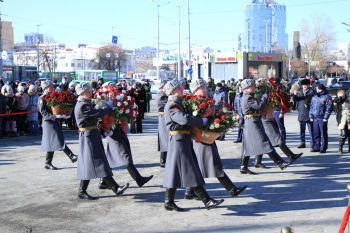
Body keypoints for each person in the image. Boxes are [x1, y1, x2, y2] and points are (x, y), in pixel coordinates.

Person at [163, 79, 224, 211]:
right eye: (179, 88)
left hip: (182, 139)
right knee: (190, 170)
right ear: (173, 91)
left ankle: (169, 202)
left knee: (176, 171)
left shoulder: (177, 103)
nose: (182, 89)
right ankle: (207, 201)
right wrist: (201, 120)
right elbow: (183, 119)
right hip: (179, 140)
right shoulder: (173, 104)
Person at [188, 79, 247, 199]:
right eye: (202, 87)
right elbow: (193, 119)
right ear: (195, 90)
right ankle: (231, 189)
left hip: (206, 137)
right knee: (210, 165)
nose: (205, 88)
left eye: (205, 86)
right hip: (200, 137)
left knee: (202, 165)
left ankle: (190, 192)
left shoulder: (205, 100)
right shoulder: (192, 102)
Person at [74, 82, 129, 200]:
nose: (91, 92)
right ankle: (116, 188)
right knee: (99, 162)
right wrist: (107, 106)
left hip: (91, 135)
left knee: (91, 163)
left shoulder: (85, 103)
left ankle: (82, 191)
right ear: (82, 93)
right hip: (89, 137)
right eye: (88, 91)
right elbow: (96, 113)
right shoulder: (83, 105)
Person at [240, 79, 290, 175]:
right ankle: (281, 163)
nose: (254, 87)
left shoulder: (248, 96)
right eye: (252, 86)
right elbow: (258, 106)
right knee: (264, 142)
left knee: (247, 145)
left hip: (251, 122)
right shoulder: (248, 98)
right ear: (246, 88)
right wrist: (263, 97)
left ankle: (243, 167)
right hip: (252, 123)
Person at [38, 80, 78, 170]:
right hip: (48, 122)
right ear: (45, 88)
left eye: (52, 86)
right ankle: (71, 156)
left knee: (52, 142)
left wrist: (63, 114)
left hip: (54, 121)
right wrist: (54, 116)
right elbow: (44, 113)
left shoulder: (53, 97)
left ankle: (47, 163)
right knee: (57, 138)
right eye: (50, 86)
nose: (52, 88)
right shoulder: (42, 98)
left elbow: (58, 108)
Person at [102, 122, 153, 188]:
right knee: (125, 155)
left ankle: (103, 181)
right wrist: (106, 130)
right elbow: (102, 118)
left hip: (117, 129)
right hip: (113, 131)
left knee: (111, 158)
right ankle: (139, 179)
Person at [309, 83, 332, 153]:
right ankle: (317, 146)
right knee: (316, 133)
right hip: (315, 117)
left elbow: (329, 108)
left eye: (317, 89)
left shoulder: (327, 97)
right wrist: (311, 116)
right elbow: (311, 107)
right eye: (316, 89)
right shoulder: (314, 97)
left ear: (320, 89)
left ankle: (323, 147)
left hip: (322, 118)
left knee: (323, 133)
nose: (317, 90)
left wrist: (326, 117)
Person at [293, 79, 315, 149]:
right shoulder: (299, 92)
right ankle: (302, 143)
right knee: (302, 130)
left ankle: (312, 143)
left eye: (306, 85)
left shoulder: (312, 92)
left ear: (309, 85)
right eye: (303, 85)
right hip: (301, 113)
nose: (304, 86)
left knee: (311, 130)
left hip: (309, 113)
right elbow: (295, 101)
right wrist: (294, 94)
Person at [157, 81, 169, 167]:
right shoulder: (163, 96)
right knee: (165, 140)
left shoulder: (162, 94)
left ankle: (164, 160)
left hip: (164, 118)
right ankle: (163, 161)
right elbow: (167, 104)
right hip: (164, 119)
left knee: (165, 140)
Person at [334, 90, 349, 154]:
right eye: (340, 96)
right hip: (341, 120)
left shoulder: (347, 100)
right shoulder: (337, 100)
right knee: (343, 135)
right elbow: (334, 107)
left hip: (348, 119)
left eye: (342, 96)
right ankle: (340, 148)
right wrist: (338, 99)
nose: (341, 97)